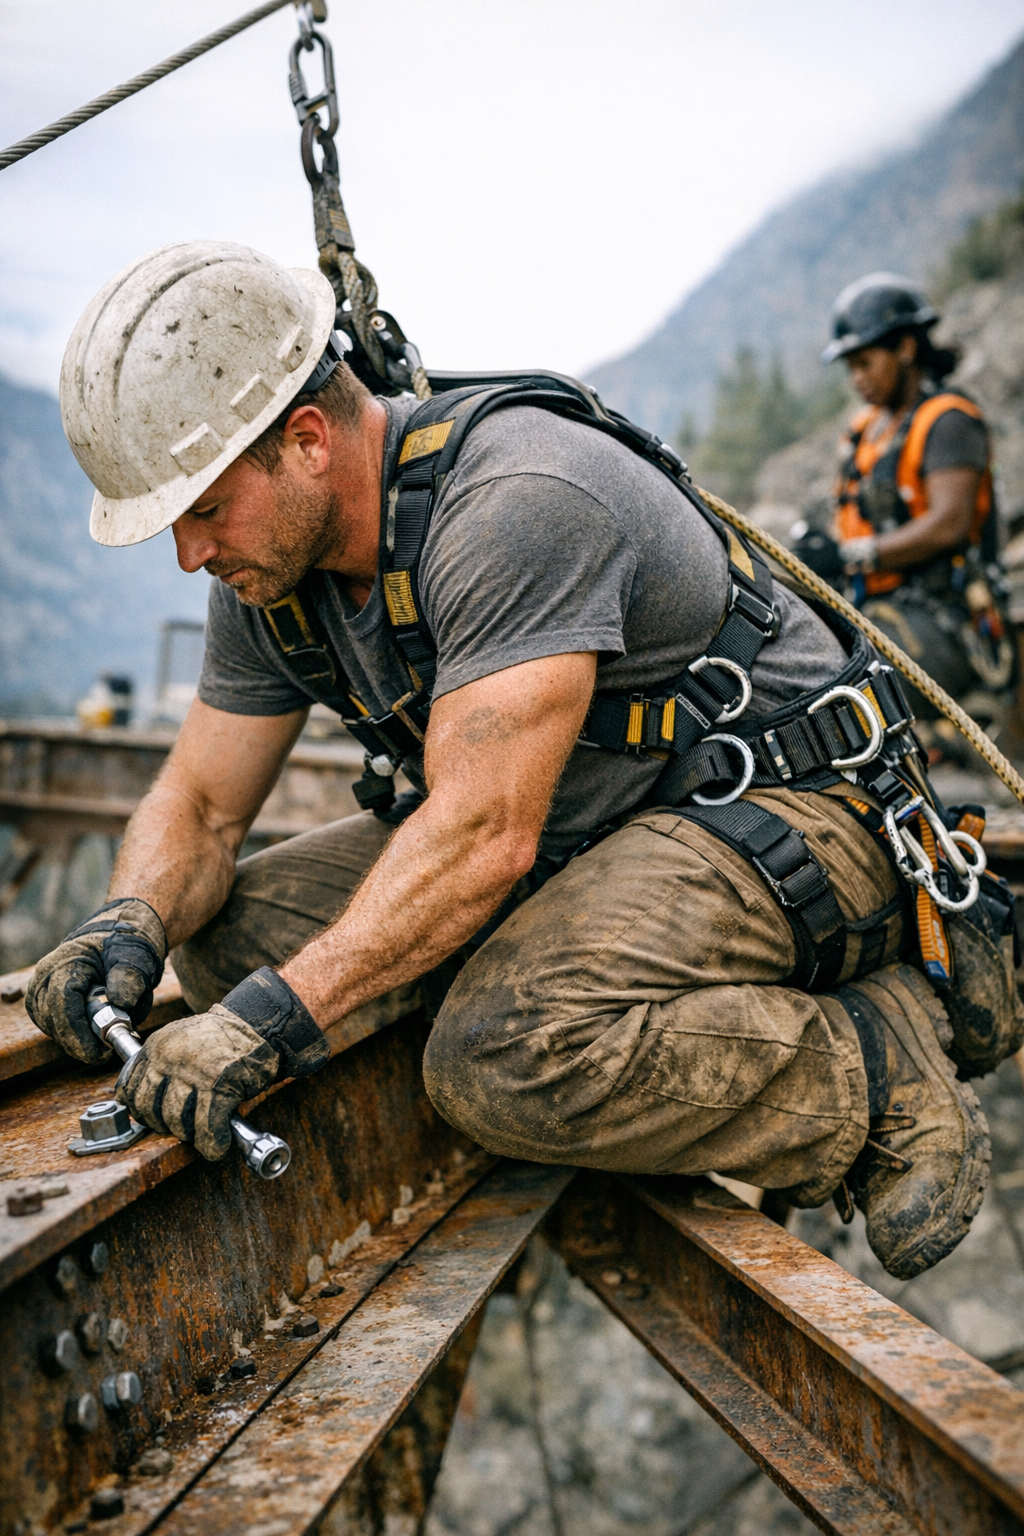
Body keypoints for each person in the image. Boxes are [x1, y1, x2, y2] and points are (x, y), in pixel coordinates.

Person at [28, 242, 1022, 1282]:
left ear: (309, 440)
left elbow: (481, 835)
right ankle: (563, 1033)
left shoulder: (515, 502)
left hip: (781, 800)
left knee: (496, 1054)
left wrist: (272, 1024)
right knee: (227, 936)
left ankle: (872, 1063)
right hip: (590, 822)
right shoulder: (268, 579)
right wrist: (129, 918)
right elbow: (201, 803)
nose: (191, 555)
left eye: (203, 512)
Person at [823, 272, 1014, 752]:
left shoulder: (948, 420)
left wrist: (851, 554)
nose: (857, 378)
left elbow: (948, 526)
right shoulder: (865, 432)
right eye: (851, 367)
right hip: (878, 608)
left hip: (952, 621)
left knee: (844, 680)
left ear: (906, 348)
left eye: (865, 362)